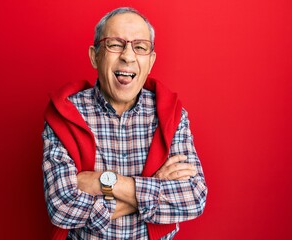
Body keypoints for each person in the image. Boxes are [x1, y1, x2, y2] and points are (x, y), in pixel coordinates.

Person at [42, 7, 207, 240]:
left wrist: (104, 182)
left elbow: (194, 197)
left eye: (140, 47)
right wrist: (154, 186)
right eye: (115, 44)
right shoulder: (65, 114)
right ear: (94, 55)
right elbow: (61, 208)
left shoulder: (171, 115)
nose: (128, 56)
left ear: (150, 62)